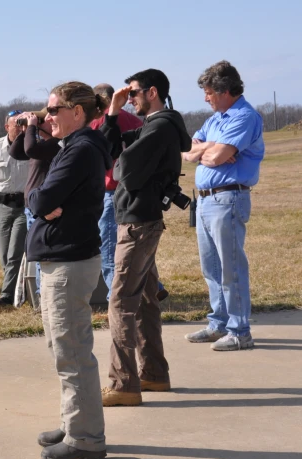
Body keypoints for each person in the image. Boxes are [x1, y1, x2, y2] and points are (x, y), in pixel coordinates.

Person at [27, 82, 112, 459]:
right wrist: (41, 201)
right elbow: (38, 198)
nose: (47, 118)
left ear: (77, 111)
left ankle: (87, 439)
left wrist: (42, 202)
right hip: (61, 260)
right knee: (62, 349)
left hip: (69, 263)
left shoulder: (80, 150)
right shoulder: (73, 148)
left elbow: (40, 198)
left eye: (53, 110)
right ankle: (73, 422)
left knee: (73, 352)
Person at [99, 69, 191, 407]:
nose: (130, 98)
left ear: (152, 92)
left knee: (121, 302)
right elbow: (109, 149)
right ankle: (153, 373)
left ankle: (123, 383)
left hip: (138, 223)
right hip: (140, 219)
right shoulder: (153, 125)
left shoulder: (161, 125)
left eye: (134, 93)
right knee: (147, 299)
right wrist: (112, 112)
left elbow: (123, 169)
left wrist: (123, 160)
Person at [182, 61, 264, 351]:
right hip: (205, 200)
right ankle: (219, 324)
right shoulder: (216, 119)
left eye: (208, 92)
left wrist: (211, 150)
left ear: (224, 90)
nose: (205, 98)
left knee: (230, 268)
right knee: (212, 268)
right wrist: (210, 147)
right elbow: (189, 151)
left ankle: (240, 331)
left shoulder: (244, 116)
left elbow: (217, 158)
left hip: (228, 198)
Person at [90, 83, 169, 303]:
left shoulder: (99, 122)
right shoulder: (136, 120)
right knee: (136, 248)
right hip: (134, 191)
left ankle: (115, 300)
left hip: (110, 192)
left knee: (109, 251)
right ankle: (152, 289)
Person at [9, 108, 61, 308]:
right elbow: (15, 152)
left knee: (43, 257)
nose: (43, 121)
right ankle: (42, 300)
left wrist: (31, 126)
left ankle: (44, 299)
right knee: (38, 256)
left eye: (45, 119)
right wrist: (25, 130)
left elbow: (30, 150)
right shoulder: (40, 144)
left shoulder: (56, 145)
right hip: (32, 208)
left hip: (44, 208)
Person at [0, 110, 30, 307]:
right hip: (2, 205)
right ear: (6, 127)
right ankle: (17, 285)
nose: (19, 127)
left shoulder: (31, 146)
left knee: (15, 252)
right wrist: (1, 188)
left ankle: (7, 295)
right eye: (15, 124)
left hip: (24, 205)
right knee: (3, 253)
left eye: (22, 124)